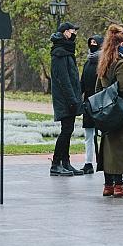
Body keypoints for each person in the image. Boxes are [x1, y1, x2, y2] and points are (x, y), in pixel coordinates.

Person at [95, 25, 123, 197]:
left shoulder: (105, 61)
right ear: (121, 45)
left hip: (107, 110)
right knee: (121, 148)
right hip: (121, 111)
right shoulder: (121, 63)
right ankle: (119, 185)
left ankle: (108, 185)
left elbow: (98, 87)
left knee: (108, 147)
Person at [50, 21, 84, 176]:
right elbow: (63, 80)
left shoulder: (66, 51)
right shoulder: (59, 52)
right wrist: (72, 99)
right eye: (71, 31)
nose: (74, 34)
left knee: (68, 130)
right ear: (64, 32)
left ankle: (66, 162)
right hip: (64, 99)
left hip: (69, 98)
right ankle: (56, 164)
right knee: (66, 130)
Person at [80, 34, 103, 174]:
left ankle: (104, 161)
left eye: (95, 42)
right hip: (88, 101)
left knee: (104, 134)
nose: (92, 44)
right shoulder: (88, 63)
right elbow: (83, 82)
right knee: (89, 134)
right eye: (91, 42)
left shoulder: (104, 62)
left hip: (100, 101)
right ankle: (88, 162)